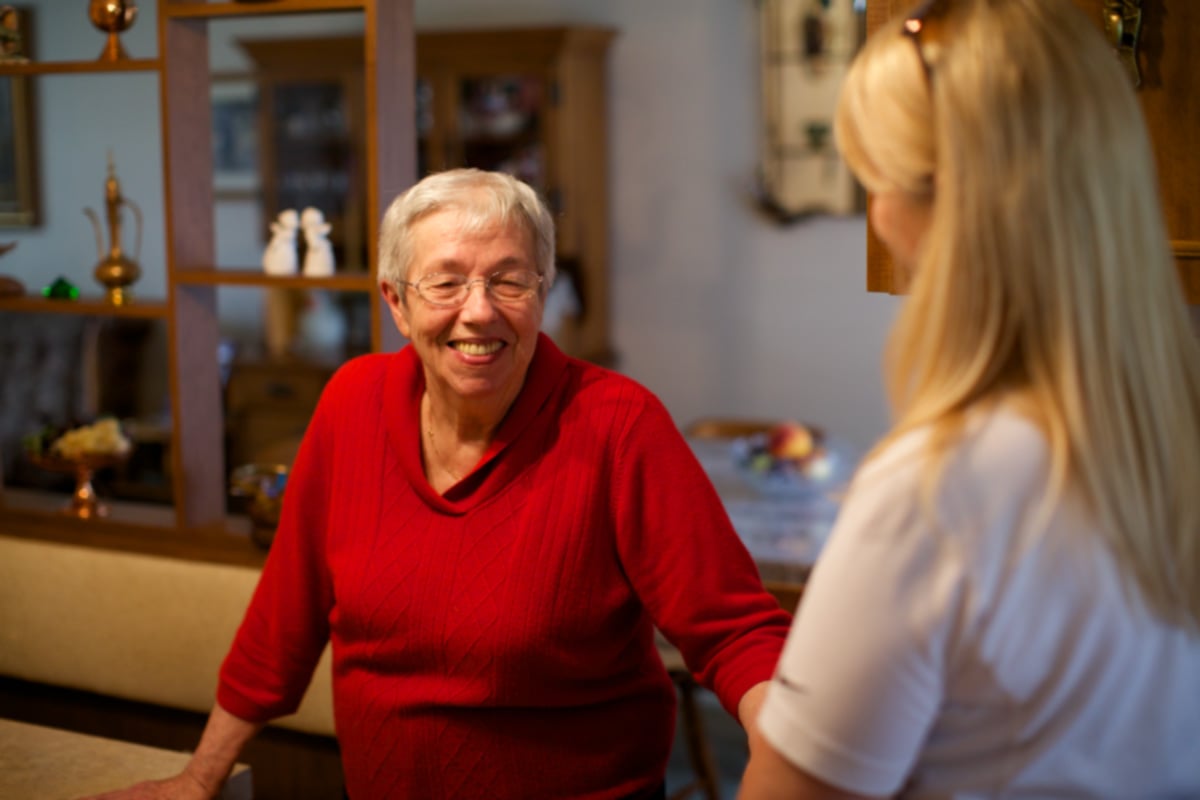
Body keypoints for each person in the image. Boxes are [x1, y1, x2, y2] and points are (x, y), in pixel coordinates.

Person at [93, 168, 792, 800]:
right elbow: (285, 619)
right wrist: (198, 777)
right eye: (447, 281)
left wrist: (786, 748)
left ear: (543, 295)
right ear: (397, 303)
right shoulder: (351, 403)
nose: (479, 310)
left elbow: (734, 632)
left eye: (509, 280)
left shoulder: (618, 424)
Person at [739, 0, 1200, 797]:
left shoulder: (938, 491)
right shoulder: (1168, 429)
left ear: (950, 211)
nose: (877, 216)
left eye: (877, 182)